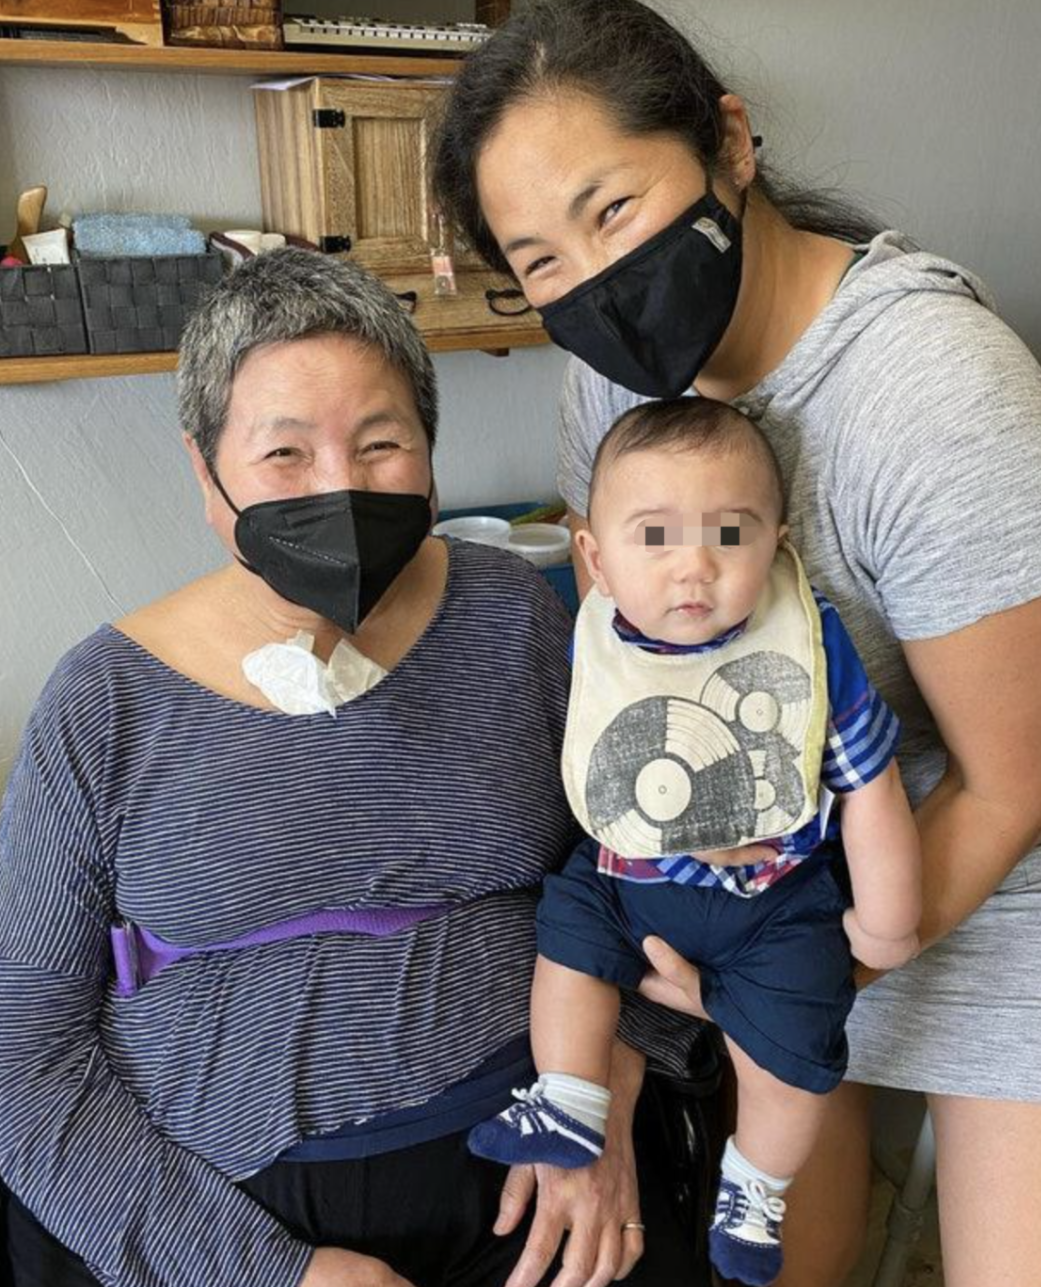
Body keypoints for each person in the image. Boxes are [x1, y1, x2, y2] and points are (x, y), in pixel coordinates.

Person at [430, 0, 1041, 1287]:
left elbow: (1019, 775)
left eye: (615, 209)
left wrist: (790, 963)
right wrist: (629, 1025)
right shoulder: (610, 388)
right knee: (777, 1255)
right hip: (768, 851)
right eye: (540, 258)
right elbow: (630, 660)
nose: (594, 281)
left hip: (994, 862)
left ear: (728, 143)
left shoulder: (936, 396)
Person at [0, 248, 714, 1287]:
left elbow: (649, 875)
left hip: (540, 1154)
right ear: (205, 471)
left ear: (429, 451)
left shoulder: (516, 619)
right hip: (227, 1201)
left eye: (381, 443)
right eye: (284, 453)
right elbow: (23, 1057)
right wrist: (262, 1271)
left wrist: (605, 1093)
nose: (338, 487)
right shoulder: (104, 701)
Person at [467, 396, 921, 1285]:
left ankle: (757, 1186)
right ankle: (570, 1096)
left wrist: (888, 920)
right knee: (565, 929)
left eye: (730, 534)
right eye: (655, 536)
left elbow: (872, 783)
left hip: (775, 902)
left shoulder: (807, 646)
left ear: (777, 545)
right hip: (624, 882)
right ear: (595, 558)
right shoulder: (597, 641)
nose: (694, 567)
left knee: (797, 1045)